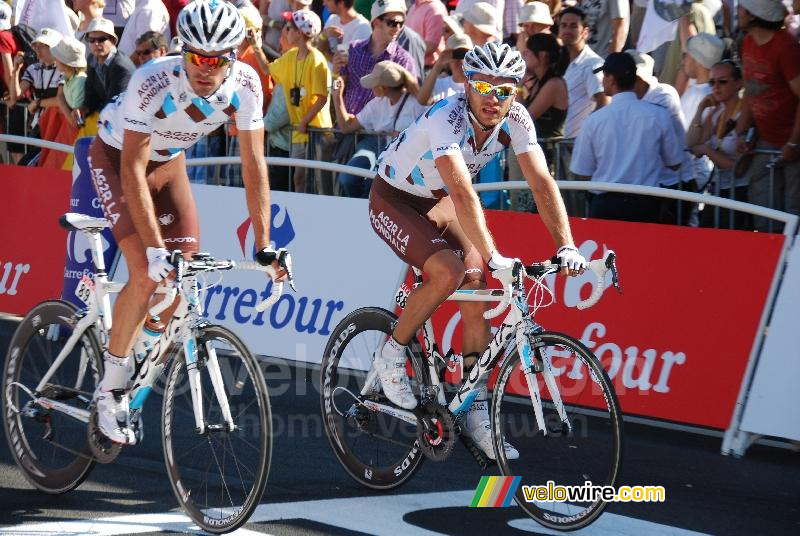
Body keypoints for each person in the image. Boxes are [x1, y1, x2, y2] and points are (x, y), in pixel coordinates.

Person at [368, 42, 587, 460]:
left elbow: (542, 182)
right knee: (449, 273)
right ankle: (390, 352)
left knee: (477, 291)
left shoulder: (517, 119)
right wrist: (494, 255)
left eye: (504, 90)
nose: (493, 98)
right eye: (483, 87)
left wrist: (566, 245)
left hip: (438, 201)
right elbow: (463, 192)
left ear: (516, 92)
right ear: (467, 84)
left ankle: (474, 408)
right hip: (394, 198)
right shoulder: (446, 117)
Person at [88, 0, 287, 445]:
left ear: (233, 57)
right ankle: (110, 387)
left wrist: (264, 244)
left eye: (216, 60)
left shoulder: (247, 84)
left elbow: (254, 165)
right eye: (196, 56)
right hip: (117, 157)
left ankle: (138, 356)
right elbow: (131, 169)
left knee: (182, 278)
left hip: (169, 163)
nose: (204, 68)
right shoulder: (151, 79)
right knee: (146, 271)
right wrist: (154, 249)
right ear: (182, 50)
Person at [570, 52, 685, 223]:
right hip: (646, 205)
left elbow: (583, 171)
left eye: (604, 75)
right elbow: (674, 162)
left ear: (611, 79)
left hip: (606, 205)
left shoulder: (594, 120)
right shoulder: (658, 114)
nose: (602, 81)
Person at [736, 0, 800, 231]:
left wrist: (793, 142)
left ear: (753, 15)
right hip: (767, 140)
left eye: (741, 7)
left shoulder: (786, 47)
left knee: (794, 211)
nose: (738, 11)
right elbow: (751, 90)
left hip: (794, 143)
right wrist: (742, 130)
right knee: (763, 208)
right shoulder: (748, 42)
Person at [333, 61, 425, 197]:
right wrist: (337, 98)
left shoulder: (416, 104)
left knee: (372, 185)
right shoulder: (377, 103)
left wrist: (406, 136)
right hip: (377, 150)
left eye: (374, 83)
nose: (371, 87)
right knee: (348, 178)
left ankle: (367, 207)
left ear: (384, 87)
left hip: (404, 160)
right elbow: (347, 127)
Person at [267, 9, 332, 193]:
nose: (286, 31)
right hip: (300, 131)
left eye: (289, 27)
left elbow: (321, 98)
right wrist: (256, 46)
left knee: (320, 182)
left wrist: (304, 122)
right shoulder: (290, 56)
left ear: (299, 32)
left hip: (317, 132)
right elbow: (267, 69)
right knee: (299, 178)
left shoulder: (317, 60)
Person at [686, 60, 751, 229]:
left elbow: (739, 168)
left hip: (740, 192)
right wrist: (700, 109)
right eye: (712, 82)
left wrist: (707, 150)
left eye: (722, 81)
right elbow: (692, 144)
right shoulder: (716, 113)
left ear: (738, 83)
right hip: (718, 190)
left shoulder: (745, 114)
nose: (716, 87)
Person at [512, 32, 568, 211]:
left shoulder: (554, 84)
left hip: (547, 159)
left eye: (527, 52)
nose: (523, 56)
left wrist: (518, 85)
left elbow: (524, 117)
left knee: (535, 209)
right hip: (536, 154)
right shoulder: (539, 82)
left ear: (542, 56)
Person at [80, 18, 135, 120]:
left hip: (124, 119)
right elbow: (91, 94)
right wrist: (83, 109)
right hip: (107, 115)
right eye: (91, 40)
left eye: (101, 39)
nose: (96, 44)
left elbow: (114, 106)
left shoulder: (121, 67)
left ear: (113, 40)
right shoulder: (92, 59)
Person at [416, 32, 471, 105]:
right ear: (447, 56)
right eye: (457, 54)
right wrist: (438, 65)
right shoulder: (439, 84)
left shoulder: (477, 85)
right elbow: (422, 101)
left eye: (465, 54)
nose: (461, 60)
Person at [405, 0, 448, 69]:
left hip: (428, 69)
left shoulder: (434, 8)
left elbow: (431, 46)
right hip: (413, 67)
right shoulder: (413, 6)